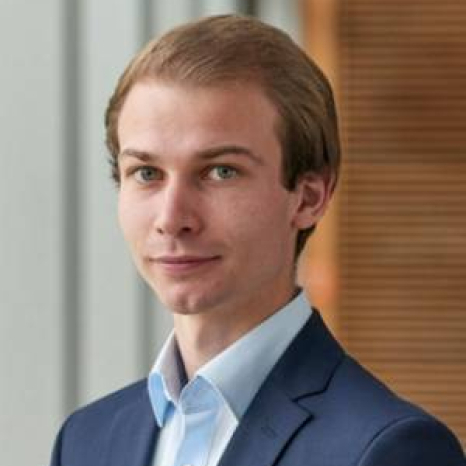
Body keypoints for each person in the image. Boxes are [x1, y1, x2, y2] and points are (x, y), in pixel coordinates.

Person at [50, 14, 465, 466]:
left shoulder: (388, 450)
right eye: (146, 173)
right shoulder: (85, 441)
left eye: (220, 171)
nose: (172, 219)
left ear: (308, 197)